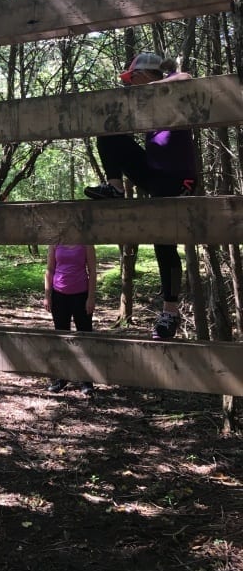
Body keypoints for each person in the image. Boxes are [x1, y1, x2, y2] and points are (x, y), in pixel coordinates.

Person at [84, 52, 197, 341]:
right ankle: (115, 187)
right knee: (108, 133)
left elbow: (185, 77)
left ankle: (170, 312)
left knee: (164, 242)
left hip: (178, 178)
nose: (131, 86)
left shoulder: (174, 89)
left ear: (147, 76)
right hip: (154, 173)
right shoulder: (146, 107)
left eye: (132, 80)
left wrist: (156, 83)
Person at [44, 244, 97, 395]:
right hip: (59, 295)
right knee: (62, 337)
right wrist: (47, 296)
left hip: (81, 295)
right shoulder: (55, 242)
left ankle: (86, 380)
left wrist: (91, 298)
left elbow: (92, 271)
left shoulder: (86, 242)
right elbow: (49, 270)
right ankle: (62, 377)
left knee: (84, 336)